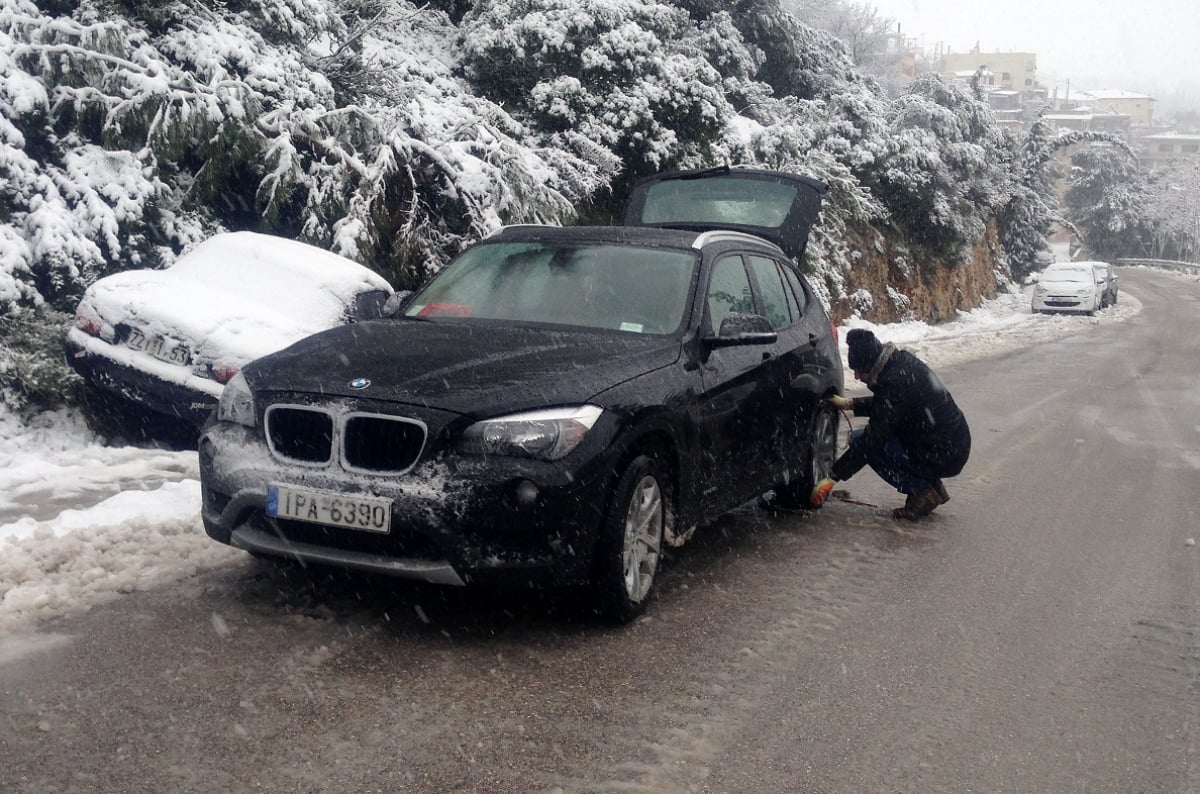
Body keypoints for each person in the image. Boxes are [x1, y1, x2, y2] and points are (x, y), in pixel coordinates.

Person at [811, 329, 971, 520]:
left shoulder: (894, 382)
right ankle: (933, 487)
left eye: (859, 371)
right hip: (950, 444)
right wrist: (850, 404)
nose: (856, 377)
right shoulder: (899, 364)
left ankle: (922, 491)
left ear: (870, 365)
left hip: (943, 452)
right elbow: (890, 406)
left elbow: (873, 439)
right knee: (879, 440)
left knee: (862, 441)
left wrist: (832, 477)